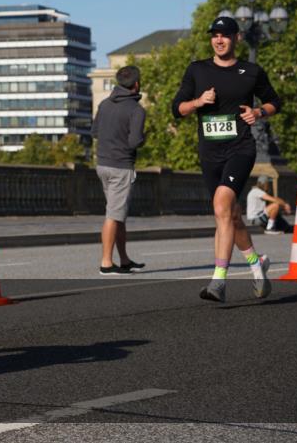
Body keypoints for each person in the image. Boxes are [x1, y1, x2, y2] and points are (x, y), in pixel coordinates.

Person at [172, 16, 283, 303]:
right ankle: (257, 267)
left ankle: (218, 282)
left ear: (237, 38)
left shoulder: (251, 71)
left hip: (240, 149)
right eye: (214, 35)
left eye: (224, 35)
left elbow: (275, 102)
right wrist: (198, 102)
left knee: (221, 205)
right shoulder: (197, 70)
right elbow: (178, 108)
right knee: (230, 215)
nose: (219, 40)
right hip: (209, 153)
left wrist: (258, 113)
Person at [91, 65, 147, 275]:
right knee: (113, 214)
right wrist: (143, 139)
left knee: (118, 213)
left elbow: (95, 132)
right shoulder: (136, 109)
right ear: (137, 84)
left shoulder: (105, 104)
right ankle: (106, 263)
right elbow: (134, 142)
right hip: (121, 167)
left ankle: (124, 259)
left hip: (102, 164)